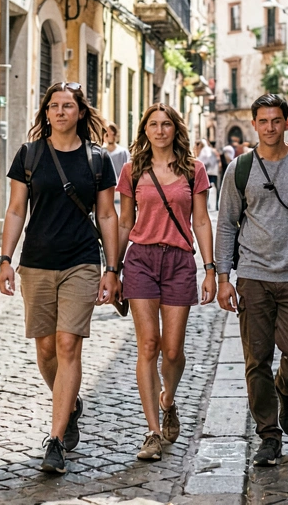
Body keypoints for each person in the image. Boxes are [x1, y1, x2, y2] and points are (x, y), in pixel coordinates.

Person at [0, 82, 121, 475]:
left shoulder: (98, 160)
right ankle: (71, 403)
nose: (61, 112)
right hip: (36, 261)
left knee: (69, 344)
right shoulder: (29, 155)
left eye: (68, 106)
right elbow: (17, 210)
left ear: (81, 112)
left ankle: (55, 440)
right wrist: (5, 259)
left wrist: (112, 268)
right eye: (54, 106)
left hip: (81, 261)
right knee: (47, 350)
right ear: (46, 112)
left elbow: (106, 215)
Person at [216, 94, 288, 467]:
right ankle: (268, 434)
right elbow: (225, 225)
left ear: (286, 122)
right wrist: (223, 277)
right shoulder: (239, 168)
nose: (270, 127)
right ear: (255, 124)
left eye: (276, 120)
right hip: (252, 276)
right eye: (263, 121)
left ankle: (286, 386)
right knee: (256, 360)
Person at [117, 105, 217, 461]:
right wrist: (113, 270)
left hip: (178, 263)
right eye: (153, 125)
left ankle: (168, 400)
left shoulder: (194, 170)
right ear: (145, 130)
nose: (160, 131)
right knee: (149, 345)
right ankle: (153, 432)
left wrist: (210, 268)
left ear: (176, 129)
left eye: (166, 125)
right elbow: (124, 222)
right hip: (141, 259)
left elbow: (202, 221)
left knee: (173, 351)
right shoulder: (131, 171)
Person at [105, 124, 131, 206]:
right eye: (107, 134)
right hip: (105, 193)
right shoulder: (100, 153)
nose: (110, 136)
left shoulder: (123, 152)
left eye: (112, 133)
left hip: (120, 193)